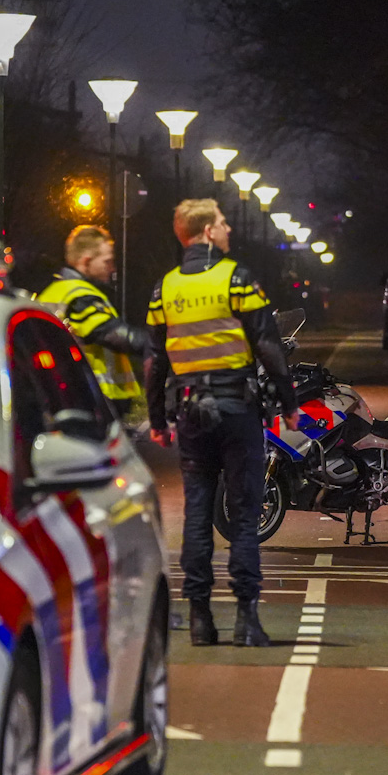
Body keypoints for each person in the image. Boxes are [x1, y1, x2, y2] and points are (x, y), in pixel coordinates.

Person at [146, 199, 298, 647]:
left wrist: (157, 417)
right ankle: (247, 619)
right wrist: (288, 401)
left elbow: (154, 360)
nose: (230, 228)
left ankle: (199, 620)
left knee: (197, 513)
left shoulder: (164, 288)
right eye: (223, 223)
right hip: (237, 409)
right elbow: (268, 344)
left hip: (191, 412)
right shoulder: (236, 278)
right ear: (207, 232)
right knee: (245, 515)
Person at [38, 225, 150, 431]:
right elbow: (113, 335)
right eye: (107, 261)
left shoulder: (54, 292)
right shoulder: (79, 295)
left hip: (69, 398)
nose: (112, 268)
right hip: (92, 400)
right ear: (86, 261)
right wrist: (161, 345)